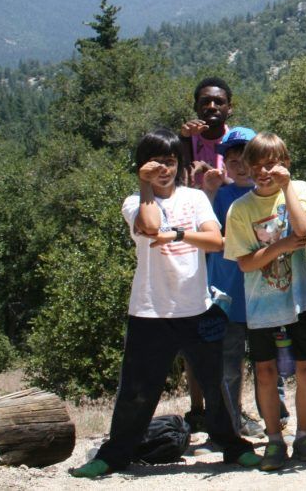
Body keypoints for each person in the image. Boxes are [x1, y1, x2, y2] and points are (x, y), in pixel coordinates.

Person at [70, 129, 259, 478]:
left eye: (170, 162)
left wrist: (178, 234)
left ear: (179, 164)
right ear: (142, 165)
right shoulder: (133, 201)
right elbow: (149, 224)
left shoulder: (195, 198)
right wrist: (146, 188)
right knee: (137, 390)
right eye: (155, 163)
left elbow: (216, 241)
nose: (164, 169)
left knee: (215, 385)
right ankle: (113, 456)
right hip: (149, 310)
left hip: (198, 307)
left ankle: (232, 447)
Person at [223, 132, 306, 471]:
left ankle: (305, 436)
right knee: (265, 373)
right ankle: (274, 440)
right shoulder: (240, 209)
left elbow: (301, 230)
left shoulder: (300, 190)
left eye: (273, 164)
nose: (265, 171)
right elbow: (244, 262)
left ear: (286, 164)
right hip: (260, 307)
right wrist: (279, 248)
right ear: (249, 168)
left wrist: (287, 188)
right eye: (258, 165)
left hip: (298, 304)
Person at [203, 127, 289, 439]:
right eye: (232, 158)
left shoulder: (271, 194)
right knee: (229, 365)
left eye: (244, 157)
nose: (238, 164)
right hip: (228, 296)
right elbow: (208, 237)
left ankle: (275, 419)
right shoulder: (222, 196)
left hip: (266, 293)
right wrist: (210, 191)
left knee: (271, 362)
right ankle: (230, 423)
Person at [180, 77, 233, 429]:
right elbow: (176, 184)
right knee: (196, 327)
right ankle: (198, 409)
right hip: (195, 245)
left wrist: (220, 184)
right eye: (205, 102)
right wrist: (185, 143)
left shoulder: (239, 140)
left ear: (229, 106)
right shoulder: (185, 142)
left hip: (232, 242)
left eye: (218, 102)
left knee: (232, 325)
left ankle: (231, 406)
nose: (211, 107)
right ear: (196, 105)